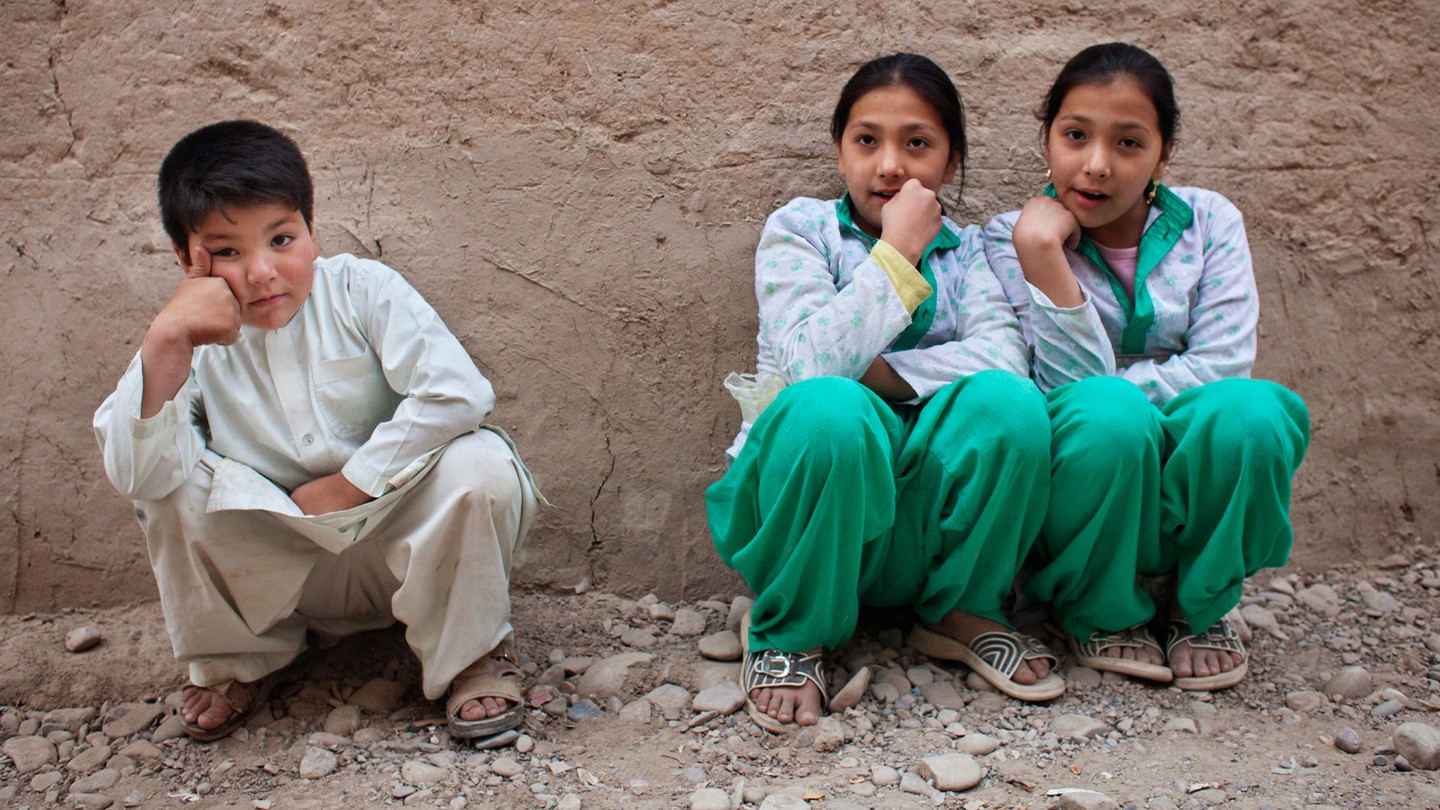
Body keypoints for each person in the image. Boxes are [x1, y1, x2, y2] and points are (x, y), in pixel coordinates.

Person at [93, 120, 542, 744]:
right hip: (282, 576)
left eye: (281, 238)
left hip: (401, 551)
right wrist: (166, 341)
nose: (262, 272)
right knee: (170, 482)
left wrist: (349, 483)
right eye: (226, 250)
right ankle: (239, 663)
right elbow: (138, 476)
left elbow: (460, 392)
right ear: (185, 258)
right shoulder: (186, 342)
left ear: (311, 228)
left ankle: (469, 658)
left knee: (480, 462)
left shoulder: (361, 290)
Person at [706, 53, 1063, 734]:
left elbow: (1005, 357)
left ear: (951, 164)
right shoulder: (799, 231)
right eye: (867, 141)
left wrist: (877, 371)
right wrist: (897, 253)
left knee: (1011, 407)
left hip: (916, 526)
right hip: (810, 514)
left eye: (917, 144)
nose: (890, 165)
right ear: (840, 155)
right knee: (829, 410)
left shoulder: (972, 252)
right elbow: (812, 367)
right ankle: (790, 628)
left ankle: (961, 611)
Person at [984, 43, 1310, 690]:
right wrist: (1042, 253)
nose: (1097, 165)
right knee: (1106, 416)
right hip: (1086, 483)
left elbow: (1223, 364)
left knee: (1254, 414)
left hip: (1175, 475)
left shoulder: (1209, 222)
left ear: (1163, 155)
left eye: (1129, 144)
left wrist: (1135, 407)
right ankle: (1097, 608)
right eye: (1075, 135)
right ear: (1047, 138)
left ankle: (1199, 606)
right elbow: (1061, 390)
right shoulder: (1009, 236)